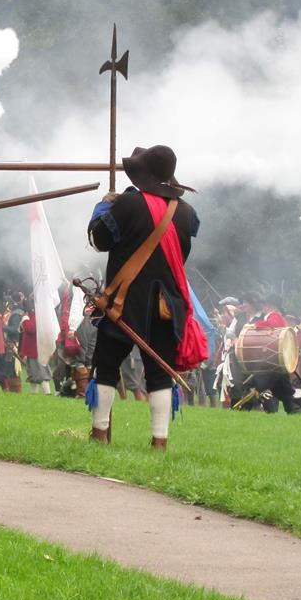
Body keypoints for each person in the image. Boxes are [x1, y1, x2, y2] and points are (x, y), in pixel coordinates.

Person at [85, 145, 205, 450]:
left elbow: (99, 240)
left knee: (107, 366)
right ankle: (159, 441)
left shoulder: (128, 203)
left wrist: (103, 207)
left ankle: (99, 433)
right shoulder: (186, 212)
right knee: (159, 374)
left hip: (125, 302)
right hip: (167, 306)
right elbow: (182, 256)